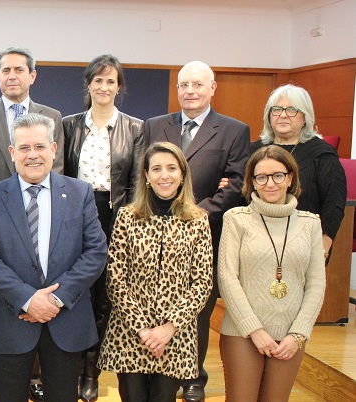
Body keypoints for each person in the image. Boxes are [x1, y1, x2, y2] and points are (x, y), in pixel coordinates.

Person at [0, 113, 107, 402]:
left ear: (54, 149)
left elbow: (95, 252)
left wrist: (55, 299)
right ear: (12, 152)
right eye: (24, 147)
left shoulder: (80, 193)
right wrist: (28, 299)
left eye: (40, 146)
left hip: (66, 319)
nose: (32, 155)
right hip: (10, 320)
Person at [141, 60, 250, 402]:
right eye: (184, 85)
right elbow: (141, 174)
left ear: (212, 88)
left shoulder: (234, 130)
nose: (190, 91)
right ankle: (156, 367)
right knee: (156, 303)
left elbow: (236, 185)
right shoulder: (155, 125)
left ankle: (193, 376)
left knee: (198, 308)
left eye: (198, 84)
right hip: (153, 232)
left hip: (203, 234)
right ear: (177, 89)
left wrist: (193, 215)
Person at [0, 46, 64, 402]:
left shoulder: (52, 116)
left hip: (42, 219)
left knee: (38, 291)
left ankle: (34, 374)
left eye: (19, 70)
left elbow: (57, 167)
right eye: (5, 70)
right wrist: (0, 207)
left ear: (32, 75)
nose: (12, 76)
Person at [97, 142, 213, 402]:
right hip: (130, 332)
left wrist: (168, 328)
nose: (164, 175)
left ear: (182, 174)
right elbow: (115, 279)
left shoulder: (198, 220)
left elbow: (202, 283)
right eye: (157, 169)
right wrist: (143, 330)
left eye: (172, 168)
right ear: (146, 176)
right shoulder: (127, 217)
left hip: (176, 334)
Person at [62, 54, 145, 402]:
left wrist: (126, 226)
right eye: (98, 80)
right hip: (74, 215)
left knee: (103, 299)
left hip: (115, 217)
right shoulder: (68, 125)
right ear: (89, 84)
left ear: (119, 86)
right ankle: (69, 368)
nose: (104, 87)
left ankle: (91, 373)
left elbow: (137, 182)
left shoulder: (135, 128)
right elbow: (61, 175)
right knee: (75, 292)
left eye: (111, 81)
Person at [218, 145, 325, 402]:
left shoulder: (310, 223)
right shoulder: (236, 219)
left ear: (290, 178)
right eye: (261, 177)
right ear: (252, 182)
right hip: (243, 332)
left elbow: (316, 284)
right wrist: (255, 330)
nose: (270, 183)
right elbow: (227, 277)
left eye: (278, 175)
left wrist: (298, 333)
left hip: (290, 334)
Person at [252, 84, 346, 260]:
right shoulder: (254, 151)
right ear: (269, 115)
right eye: (276, 109)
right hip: (256, 245)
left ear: (305, 117)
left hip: (304, 247)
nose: (283, 115)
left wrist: (324, 245)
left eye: (292, 110)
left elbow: (334, 203)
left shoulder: (323, 154)